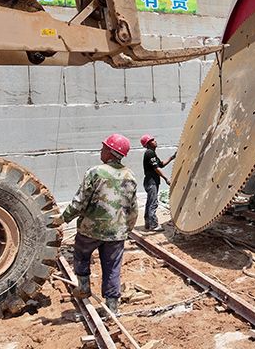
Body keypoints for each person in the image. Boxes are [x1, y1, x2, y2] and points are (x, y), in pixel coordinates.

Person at [62, 133, 137, 315]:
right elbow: (133, 209)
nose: (101, 151)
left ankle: (84, 288)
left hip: (90, 230)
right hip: (116, 233)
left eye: (103, 148)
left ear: (111, 152)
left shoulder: (95, 172)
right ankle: (112, 307)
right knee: (112, 267)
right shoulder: (130, 176)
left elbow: (79, 202)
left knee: (81, 256)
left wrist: (63, 218)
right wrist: (127, 229)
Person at [141, 134, 176, 231]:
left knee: (149, 202)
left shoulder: (152, 153)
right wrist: (166, 179)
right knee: (153, 203)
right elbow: (156, 168)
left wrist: (172, 157)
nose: (155, 141)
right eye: (152, 140)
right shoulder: (149, 153)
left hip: (150, 181)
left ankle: (148, 223)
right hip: (151, 181)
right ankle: (154, 225)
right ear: (148, 144)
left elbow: (161, 164)